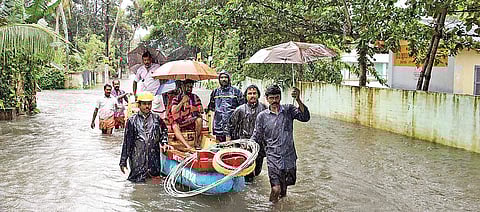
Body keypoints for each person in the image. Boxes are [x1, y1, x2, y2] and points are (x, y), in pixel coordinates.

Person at [250, 85, 310, 203]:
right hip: (273, 157)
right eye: (271, 98)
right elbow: (256, 135)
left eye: (277, 98)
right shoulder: (262, 116)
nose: (274, 101)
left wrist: (298, 99)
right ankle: (271, 207)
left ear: (280, 98)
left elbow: (305, 117)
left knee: (283, 190)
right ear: (266, 99)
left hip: (289, 157)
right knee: (275, 189)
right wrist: (248, 147)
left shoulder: (289, 110)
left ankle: (281, 207)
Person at [119, 92, 171, 183]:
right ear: (139, 105)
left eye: (149, 104)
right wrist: (123, 161)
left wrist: (164, 142)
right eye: (144, 104)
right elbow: (127, 143)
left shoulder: (157, 119)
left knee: (154, 186)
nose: (147, 106)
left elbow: (164, 131)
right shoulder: (132, 121)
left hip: (153, 162)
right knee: (137, 187)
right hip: (137, 161)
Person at [229, 84, 267, 182]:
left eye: (254, 93)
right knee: (248, 174)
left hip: (260, 145)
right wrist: (233, 144)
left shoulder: (264, 108)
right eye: (250, 93)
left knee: (258, 171)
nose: (252, 95)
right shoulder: (240, 110)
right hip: (245, 145)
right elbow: (231, 127)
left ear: (258, 95)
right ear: (246, 96)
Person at [207, 70, 244, 142]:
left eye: (225, 77)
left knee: (232, 145)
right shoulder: (215, 92)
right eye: (221, 77)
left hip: (233, 124)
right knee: (220, 145)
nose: (223, 79)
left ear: (229, 79)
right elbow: (211, 107)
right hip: (219, 123)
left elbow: (242, 108)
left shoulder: (236, 92)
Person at [170, 79, 203, 150]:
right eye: (187, 87)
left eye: (191, 87)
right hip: (180, 122)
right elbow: (173, 111)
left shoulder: (195, 97)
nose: (189, 89)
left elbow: (201, 109)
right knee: (175, 126)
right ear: (183, 87)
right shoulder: (176, 98)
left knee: (199, 119)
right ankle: (188, 146)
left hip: (191, 121)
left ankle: (196, 142)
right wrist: (182, 102)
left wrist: (192, 108)